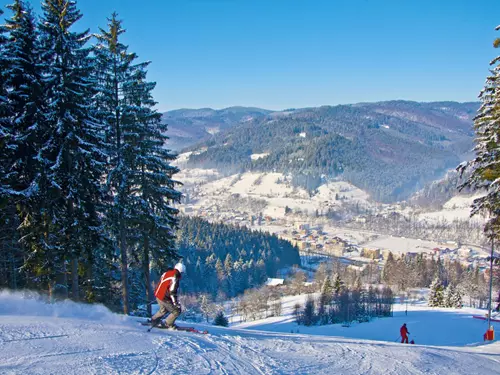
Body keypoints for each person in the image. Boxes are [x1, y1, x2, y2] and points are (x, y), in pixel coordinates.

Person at [150, 262, 186, 329]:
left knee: (163, 310)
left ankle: (154, 320)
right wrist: (175, 303)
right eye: (182, 273)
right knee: (177, 311)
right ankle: (167, 323)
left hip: (158, 294)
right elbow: (172, 291)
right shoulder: (175, 276)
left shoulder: (167, 273)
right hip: (164, 297)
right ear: (180, 271)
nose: (182, 274)